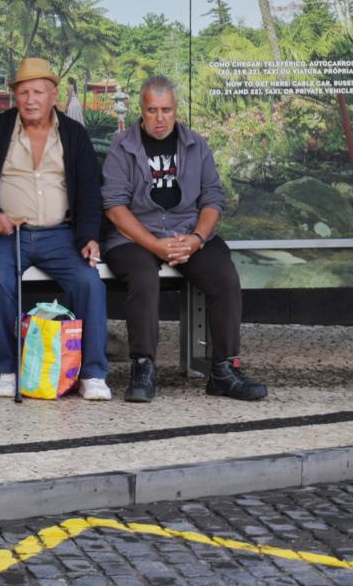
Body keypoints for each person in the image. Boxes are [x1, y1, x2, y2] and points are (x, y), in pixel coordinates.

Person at [101, 76, 267, 403]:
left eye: (166, 110)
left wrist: (197, 239)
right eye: (152, 110)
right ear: (142, 110)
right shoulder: (122, 147)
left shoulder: (196, 145)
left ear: (177, 110)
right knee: (143, 276)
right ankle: (144, 366)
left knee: (225, 276)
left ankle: (223, 370)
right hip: (135, 235)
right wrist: (154, 244)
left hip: (188, 230)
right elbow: (114, 207)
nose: (159, 118)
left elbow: (213, 199)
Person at [0, 57, 110, 400]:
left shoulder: (73, 135)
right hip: (7, 232)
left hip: (61, 234)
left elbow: (89, 191)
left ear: (53, 95)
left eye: (38, 92)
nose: (30, 99)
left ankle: (92, 373)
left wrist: (88, 237)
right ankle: (8, 367)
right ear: (15, 96)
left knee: (89, 282)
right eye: (23, 92)